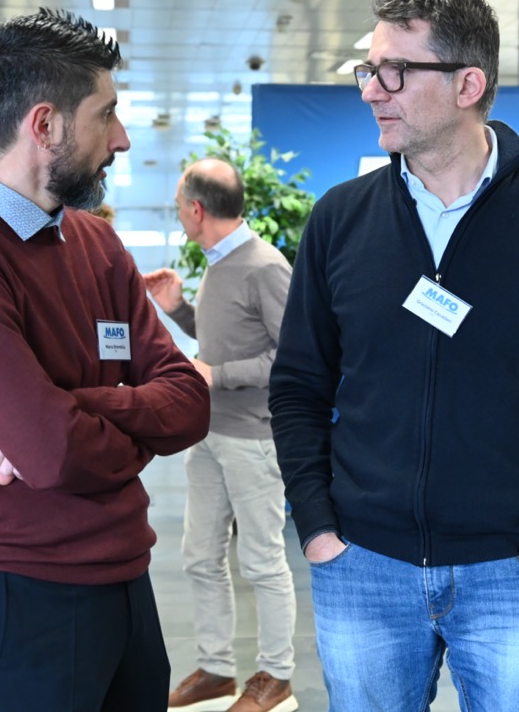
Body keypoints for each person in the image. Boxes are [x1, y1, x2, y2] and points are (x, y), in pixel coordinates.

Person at [268, 0, 519, 711]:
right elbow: (296, 388)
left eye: (395, 71)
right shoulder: (340, 219)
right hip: (363, 568)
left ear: (467, 85)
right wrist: (318, 529)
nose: (371, 90)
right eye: (369, 69)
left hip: (517, 570)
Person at [0, 8, 211, 712]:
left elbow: (189, 402)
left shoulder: (98, 245)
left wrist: (78, 405)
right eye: (107, 115)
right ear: (45, 125)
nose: (122, 139)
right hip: (20, 595)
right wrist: (93, 425)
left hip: (126, 585)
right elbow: (55, 452)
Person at [143, 159, 299, 712]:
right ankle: (216, 669)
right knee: (200, 556)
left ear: (196, 209)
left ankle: (276, 676)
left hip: (254, 440)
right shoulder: (218, 262)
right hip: (209, 433)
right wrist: (178, 310)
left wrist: (219, 375)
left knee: (262, 562)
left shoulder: (265, 266)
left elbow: (293, 358)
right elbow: (225, 341)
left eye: (178, 204)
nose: (178, 213)